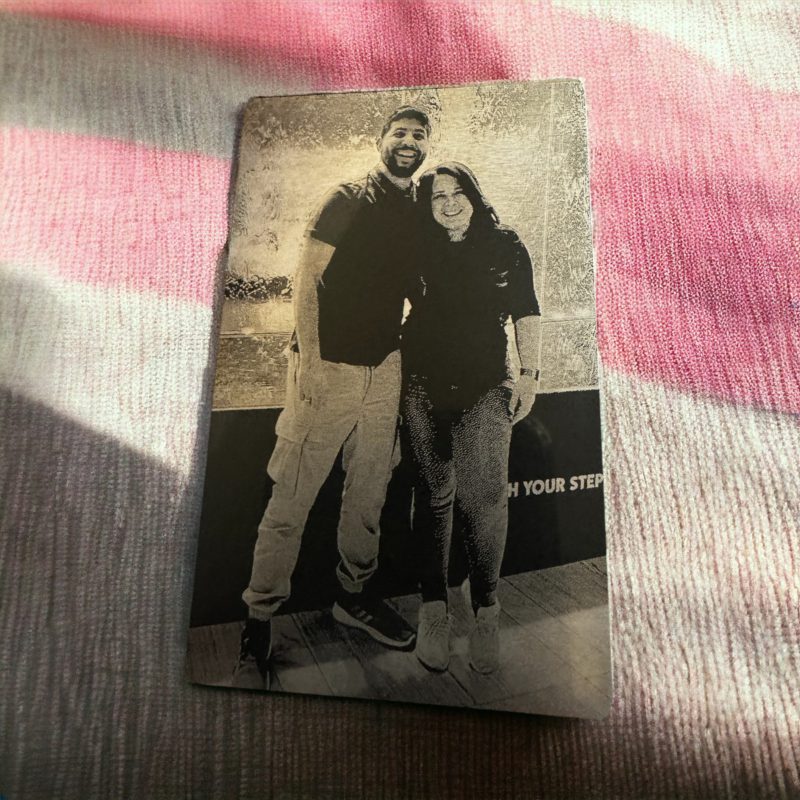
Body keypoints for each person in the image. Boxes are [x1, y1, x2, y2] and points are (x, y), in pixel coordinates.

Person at [234, 106, 432, 689]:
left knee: (368, 494)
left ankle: (353, 597)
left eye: (419, 135)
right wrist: (312, 365)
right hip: (329, 370)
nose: (408, 141)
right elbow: (305, 284)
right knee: (292, 498)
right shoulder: (346, 197)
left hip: (385, 370)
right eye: (399, 132)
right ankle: (258, 620)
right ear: (381, 140)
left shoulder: (418, 207)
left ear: (426, 148)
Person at [401, 162, 541, 674]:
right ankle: (433, 610)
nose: (449, 204)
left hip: (485, 384)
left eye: (458, 193)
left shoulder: (506, 244)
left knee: (484, 502)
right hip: (421, 384)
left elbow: (527, 310)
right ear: (428, 207)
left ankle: (486, 611)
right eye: (438, 197)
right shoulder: (416, 246)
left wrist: (529, 375)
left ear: (474, 196)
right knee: (433, 497)